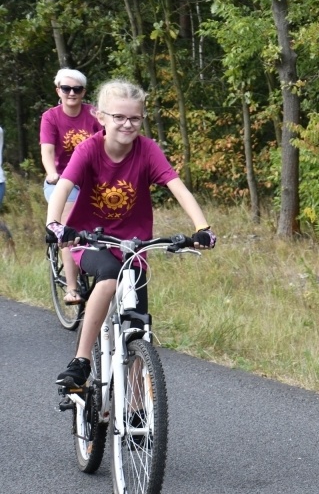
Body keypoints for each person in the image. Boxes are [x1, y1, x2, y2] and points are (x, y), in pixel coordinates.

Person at [45, 78, 217, 387]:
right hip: (91, 241)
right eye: (119, 117)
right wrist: (55, 224)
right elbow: (63, 189)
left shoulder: (148, 150)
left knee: (138, 328)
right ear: (101, 117)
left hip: (133, 247)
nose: (127, 124)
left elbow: (179, 189)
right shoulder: (89, 149)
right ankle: (81, 360)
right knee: (108, 276)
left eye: (134, 118)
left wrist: (202, 227)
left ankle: (138, 411)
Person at [41, 68, 103, 305]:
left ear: (83, 92)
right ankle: (72, 287)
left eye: (77, 89)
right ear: (58, 90)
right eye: (66, 88)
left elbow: (107, 142)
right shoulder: (51, 117)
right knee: (69, 227)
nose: (71, 93)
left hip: (91, 180)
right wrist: (52, 173)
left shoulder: (94, 115)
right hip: (63, 181)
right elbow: (47, 151)